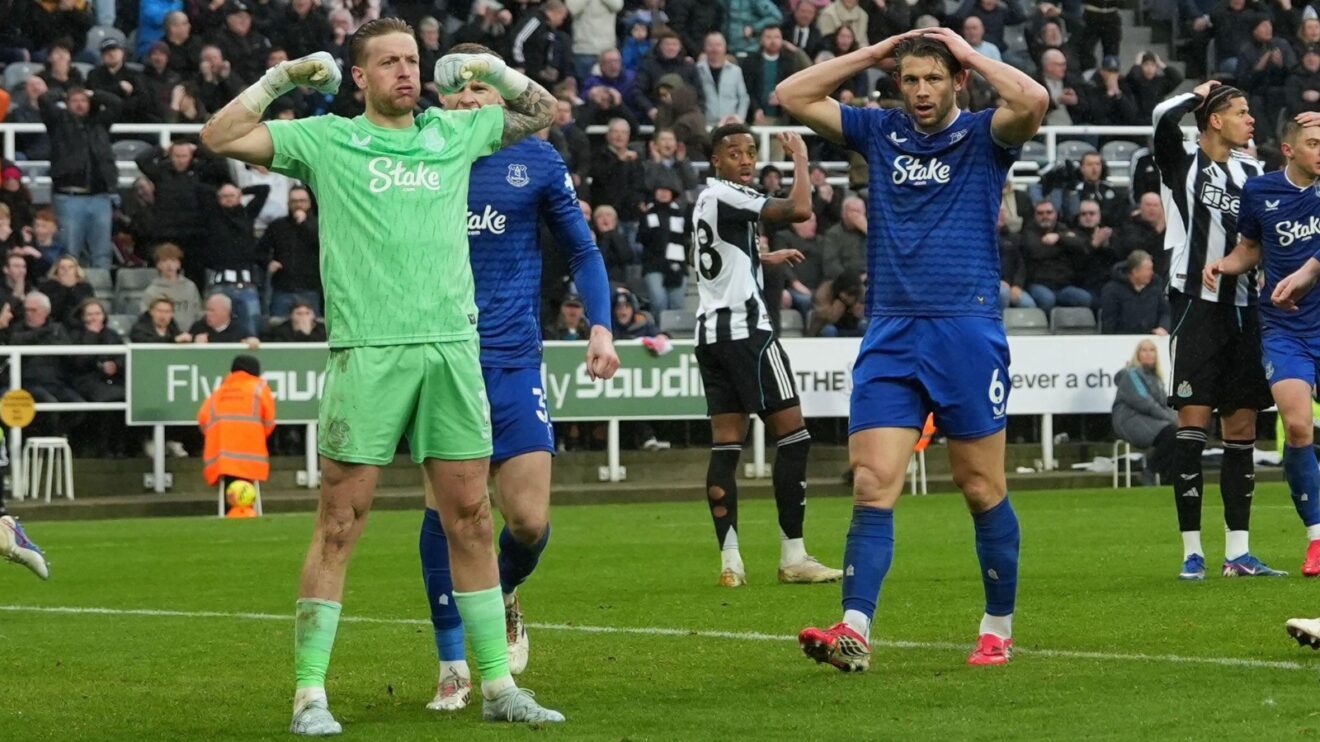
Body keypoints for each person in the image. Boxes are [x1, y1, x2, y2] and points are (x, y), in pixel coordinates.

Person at [198, 18, 562, 732]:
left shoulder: (454, 132)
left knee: (472, 518)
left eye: (413, 61)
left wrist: (490, 72)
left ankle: (497, 686)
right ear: (359, 76)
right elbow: (219, 135)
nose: (406, 72)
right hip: (368, 351)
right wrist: (284, 78)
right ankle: (309, 695)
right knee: (340, 521)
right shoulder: (326, 140)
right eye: (389, 62)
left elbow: (543, 111)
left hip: (452, 349)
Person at [777, 27, 1048, 669]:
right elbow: (792, 94)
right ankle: (854, 629)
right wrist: (875, 53)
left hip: (965, 328)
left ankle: (997, 627)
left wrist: (968, 51)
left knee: (979, 485)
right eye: (910, 80)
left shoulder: (985, 134)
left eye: (933, 79)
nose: (921, 91)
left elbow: (1033, 100)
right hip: (891, 329)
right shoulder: (880, 131)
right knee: (871, 482)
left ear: (957, 82)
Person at [417, 41, 618, 712]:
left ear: (503, 98)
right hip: (443, 360)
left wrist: (599, 326)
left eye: (481, 87)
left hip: (513, 360)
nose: (468, 98)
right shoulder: (419, 155)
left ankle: (501, 590)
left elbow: (582, 250)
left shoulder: (536, 158)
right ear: (441, 97)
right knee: (447, 510)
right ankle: (453, 664)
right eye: (457, 87)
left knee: (528, 522)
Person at [690, 122, 843, 588]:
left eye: (751, 152)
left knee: (726, 444)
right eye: (734, 152)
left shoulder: (706, 200)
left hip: (710, 334)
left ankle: (731, 562)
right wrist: (801, 158)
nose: (745, 160)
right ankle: (793, 556)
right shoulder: (730, 194)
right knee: (794, 436)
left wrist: (763, 260)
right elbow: (800, 209)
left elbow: (714, 260)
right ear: (716, 160)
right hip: (747, 332)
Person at [1153, 80, 1277, 581]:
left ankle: (1238, 552)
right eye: (1241, 112)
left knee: (1242, 428)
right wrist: (1195, 94)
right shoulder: (1181, 163)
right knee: (1193, 422)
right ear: (1215, 119)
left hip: (1245, 308)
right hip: (1195, 305)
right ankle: (1192, 552)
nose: (1251, 120)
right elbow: (1162, 117)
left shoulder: (1254, 172)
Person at [1205, 115, 1320, 578]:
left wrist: (1308, 271)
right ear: (1289, 151)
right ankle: (1316, 538)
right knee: (1298, 427)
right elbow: (1252, 246)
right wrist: (1225, 264)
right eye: (1314, 143)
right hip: (1284, 328)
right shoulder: (1260, 191)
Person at [39, 86, 120, 270]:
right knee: (70, 252)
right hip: (69, 196)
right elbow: (44, 100)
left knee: (102, 253)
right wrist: (63, 93)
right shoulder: (58, 122)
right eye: (74, 101)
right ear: (67, 104)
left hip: (100, 196)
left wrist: (94, 93)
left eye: (83, 100)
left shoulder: (100, 122)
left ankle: (100, 287)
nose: (79, 104)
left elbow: (116, 103)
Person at [198, 354, 275, 506]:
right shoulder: (259, 389)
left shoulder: (218, 393)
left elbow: (203, 420)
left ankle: (230, 511)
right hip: (252, 454)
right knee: (247, 495)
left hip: (222, 457)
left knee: (229, 495)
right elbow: (269, 422)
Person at [1112, 338, 1178, 486]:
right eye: (1144, 350)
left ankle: (1170, 478)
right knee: (1172, 433)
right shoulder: (1131, 374)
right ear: (1137, 354)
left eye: (1152, 350)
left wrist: (1178, 419)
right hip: (1129, 420)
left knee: (1182, 433)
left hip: (1149, 419)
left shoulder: (1156, 377)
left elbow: (1163, 404)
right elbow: (1144, 402)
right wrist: (1172, 419)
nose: (1148, 354)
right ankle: (1150, 470)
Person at [1100, 250, 1170, 334]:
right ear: (1135, 272)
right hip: (1122, 338)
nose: (1152, 273)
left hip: (1151, 338)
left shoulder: (1155, 286)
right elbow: (1109, 323)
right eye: (1148, 270)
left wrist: (1163, 327)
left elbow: (1165, 312)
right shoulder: (1112, 290)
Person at [141, 243, 203, 331]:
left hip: (189, 335)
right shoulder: (152, 291)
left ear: (179, 264)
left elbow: (198, 313)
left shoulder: (190, 287)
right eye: (164, 261)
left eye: (173, 260)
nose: (169, 265)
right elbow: (146, 319)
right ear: (158, 265)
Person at [188, 293, 259, 346]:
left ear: (225, 312)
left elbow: (252, 340)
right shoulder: (198, 327)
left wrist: (252, 342)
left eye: (212, 310)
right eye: (207, 310)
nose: (207, 314)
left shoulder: (239, 330)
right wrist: (194, 343)